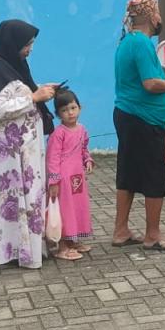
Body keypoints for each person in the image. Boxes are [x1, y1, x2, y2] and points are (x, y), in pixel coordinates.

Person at [0, 19, 57, 269]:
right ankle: (15, 251)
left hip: (27, 147)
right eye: (27, 44)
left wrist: (42, 92)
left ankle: (28, 249)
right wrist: (34, 98)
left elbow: (22, 92)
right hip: (11, 151)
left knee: (31, 195)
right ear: (13, 42)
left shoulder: (15, 64)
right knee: (15, 195)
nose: (29, 49)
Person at [112, 0, 165, 252]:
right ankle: (153, 235)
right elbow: (150, 83)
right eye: (158, 12)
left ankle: (121, 230)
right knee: (154, 174)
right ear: (152, 16)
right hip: (143, 119)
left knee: (128, 173)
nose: (160, 17)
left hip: (128, 115)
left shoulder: (126, 41)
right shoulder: (141, 43)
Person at [47, 88, 95, 260]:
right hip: (63, 180)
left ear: (80, 108)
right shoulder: (58, 134)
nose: (70, 113)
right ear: (58, 114)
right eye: (64, 110)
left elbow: (84, 149)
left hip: (77, 177)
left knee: (76, 207)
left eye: (73, 108)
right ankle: (62, 247)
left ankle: (73, 241)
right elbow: (52, 158)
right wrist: (53, 182)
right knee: (64, 210)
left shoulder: (82, 130)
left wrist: (87, 160)